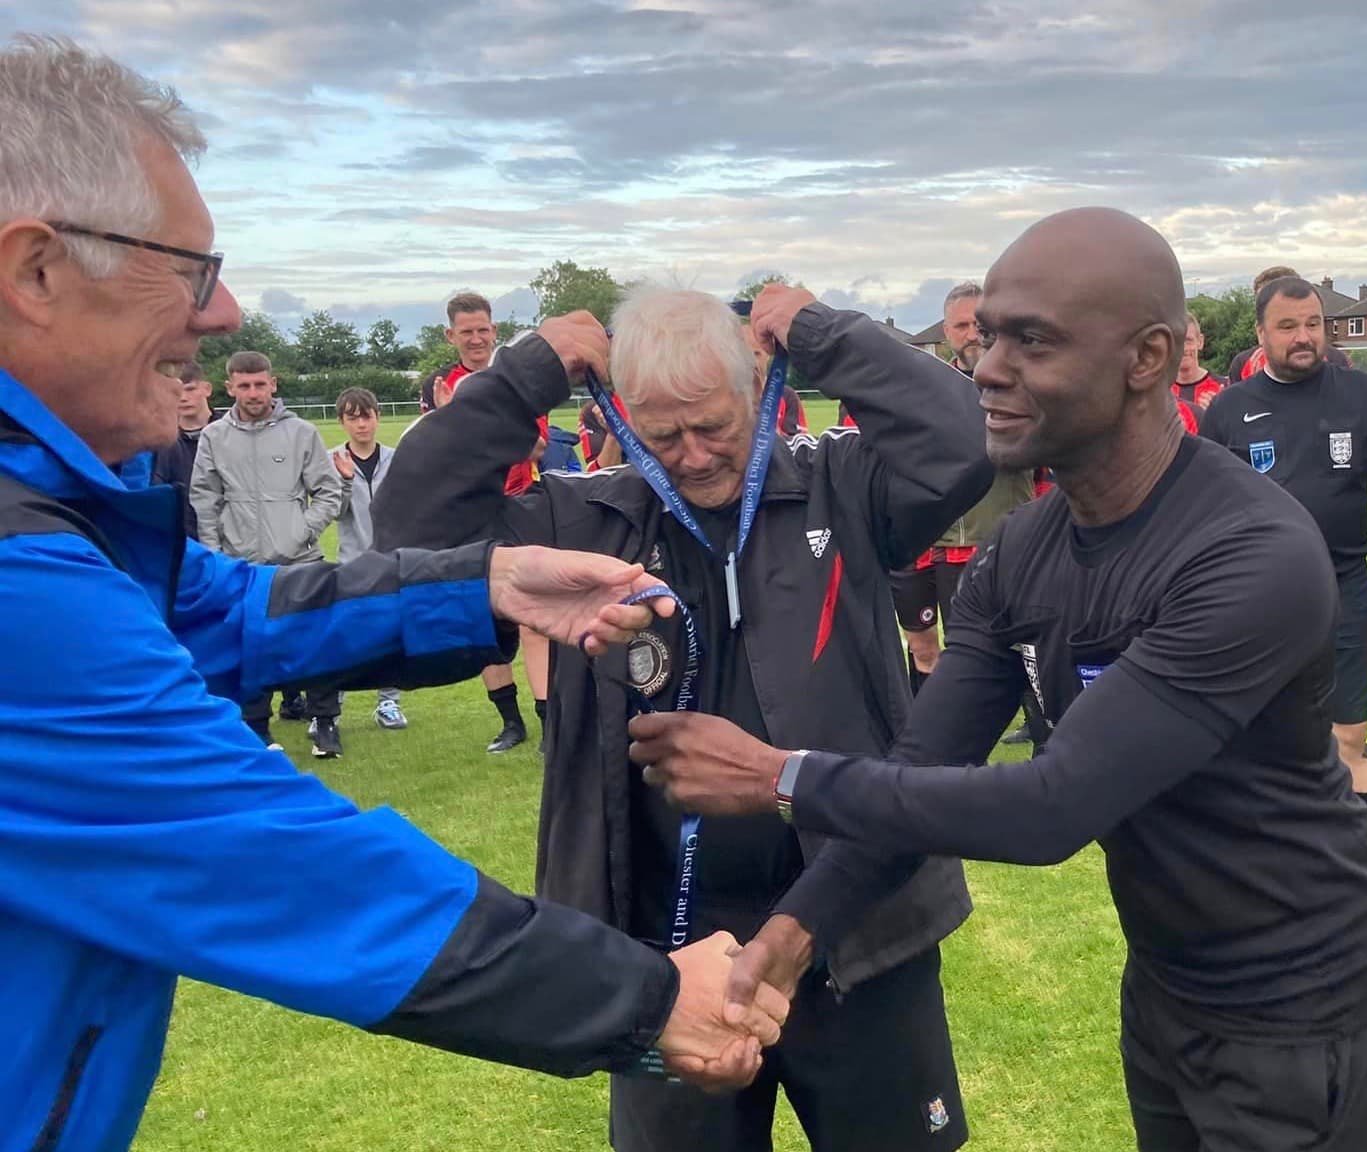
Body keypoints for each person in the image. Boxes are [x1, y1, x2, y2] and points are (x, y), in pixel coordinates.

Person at [0, 35, 788, 1150]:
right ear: (34, 272)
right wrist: (652, 1002)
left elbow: (222, 613)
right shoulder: (16, 583)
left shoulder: (52, 516)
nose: (220, 318)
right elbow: (281, 869)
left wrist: (492, 583)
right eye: (190, 270)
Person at [632, 207, 1367, 1152]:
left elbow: (1051, 809)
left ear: (1148, 358)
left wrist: (779, 775)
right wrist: (789, 940)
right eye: (990, 335)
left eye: (1032, 341)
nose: (989, 367)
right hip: (1169, 988)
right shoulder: (1025, 549)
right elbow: (923, 766)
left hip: (1307, 1001)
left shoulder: (1249, 552)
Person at [377, 281, 992, 1152]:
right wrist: (524, 377)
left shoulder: (840, 488)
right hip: (662, 958)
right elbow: (405, 532)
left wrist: (821, 332)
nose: (694, 457)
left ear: (754, 391)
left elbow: (967, 440)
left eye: (715, 427)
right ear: (623, 415)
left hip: (856, 938)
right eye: (663, 435)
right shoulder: (585, 519)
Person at [1202, 274, 1367, 829]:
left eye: (1313, 325)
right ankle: (1277, 861)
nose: (1303, 337)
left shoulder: (1361, 395)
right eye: (1287, 327)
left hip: (1345, 587)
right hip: (1259, 597)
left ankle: (1358, 865)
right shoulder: (1229, 410)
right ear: (1260, 333)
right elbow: (1201, 510)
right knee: (1263, 735)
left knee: (1352, 735)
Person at [190, 349, 347, 754]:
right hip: (241, 564)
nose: (254, 392)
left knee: (316, 641)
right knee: (247, 645)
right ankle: (257, 730)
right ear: (230, 388)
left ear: (273, 384)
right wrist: (215, 553)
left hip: (299, 560)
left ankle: (325, 722)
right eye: (244, 385)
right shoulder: (214, 437)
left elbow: (329, 493)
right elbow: (205, 499)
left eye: (260, 384)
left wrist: (301, 530)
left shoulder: (302, 432)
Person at [419, 290, 547, 753]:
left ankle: (548, 723)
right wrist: (452, 420)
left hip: (519, 503)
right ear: (450, 335)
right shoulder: (442, 386)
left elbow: (534, 448)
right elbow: (437, 457)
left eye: (483, 330)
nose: (475, 339)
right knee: (483, 618)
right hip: (469, 509)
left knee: (534, 618)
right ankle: (510, 724)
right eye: (466, 332)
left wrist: (466, 426)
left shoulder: (516, 381)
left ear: (494, 330)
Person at [894, 281, 1037, 695]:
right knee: (926, 648)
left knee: (1011, 645)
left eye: (978, 325)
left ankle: (1042, 736)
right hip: (928, 543)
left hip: (998, 538)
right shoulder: (926, 390)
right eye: (960, 326)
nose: (971, 334)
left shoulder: (1024, 383)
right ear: (947, 333)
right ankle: (923, 740)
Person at [330, 387, 409, 731]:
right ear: (342, 422)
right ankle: (330, 702)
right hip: (352, 561)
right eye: (353, 417)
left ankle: (388, 702)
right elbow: (333, 512)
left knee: (391, 633)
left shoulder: (397, 458)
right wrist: (345, 482)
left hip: (394, 561)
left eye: (367, 415)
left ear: (378, 416)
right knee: (347, 632)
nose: (361, 424)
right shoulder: (332, 459)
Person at [148, 359, 212, 537]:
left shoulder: (229, 434)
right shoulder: (160, 442)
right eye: (177, 389)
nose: (183, 397)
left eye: (190, 389)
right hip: (183, 539)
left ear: (207, 389)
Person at [1173, 312, 1226, 411]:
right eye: (1177, 341)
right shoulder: (1160, 392)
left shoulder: (1223, 388)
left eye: (1188, 341)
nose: (1183, 348)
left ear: (1200, 342)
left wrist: (1218, 414)